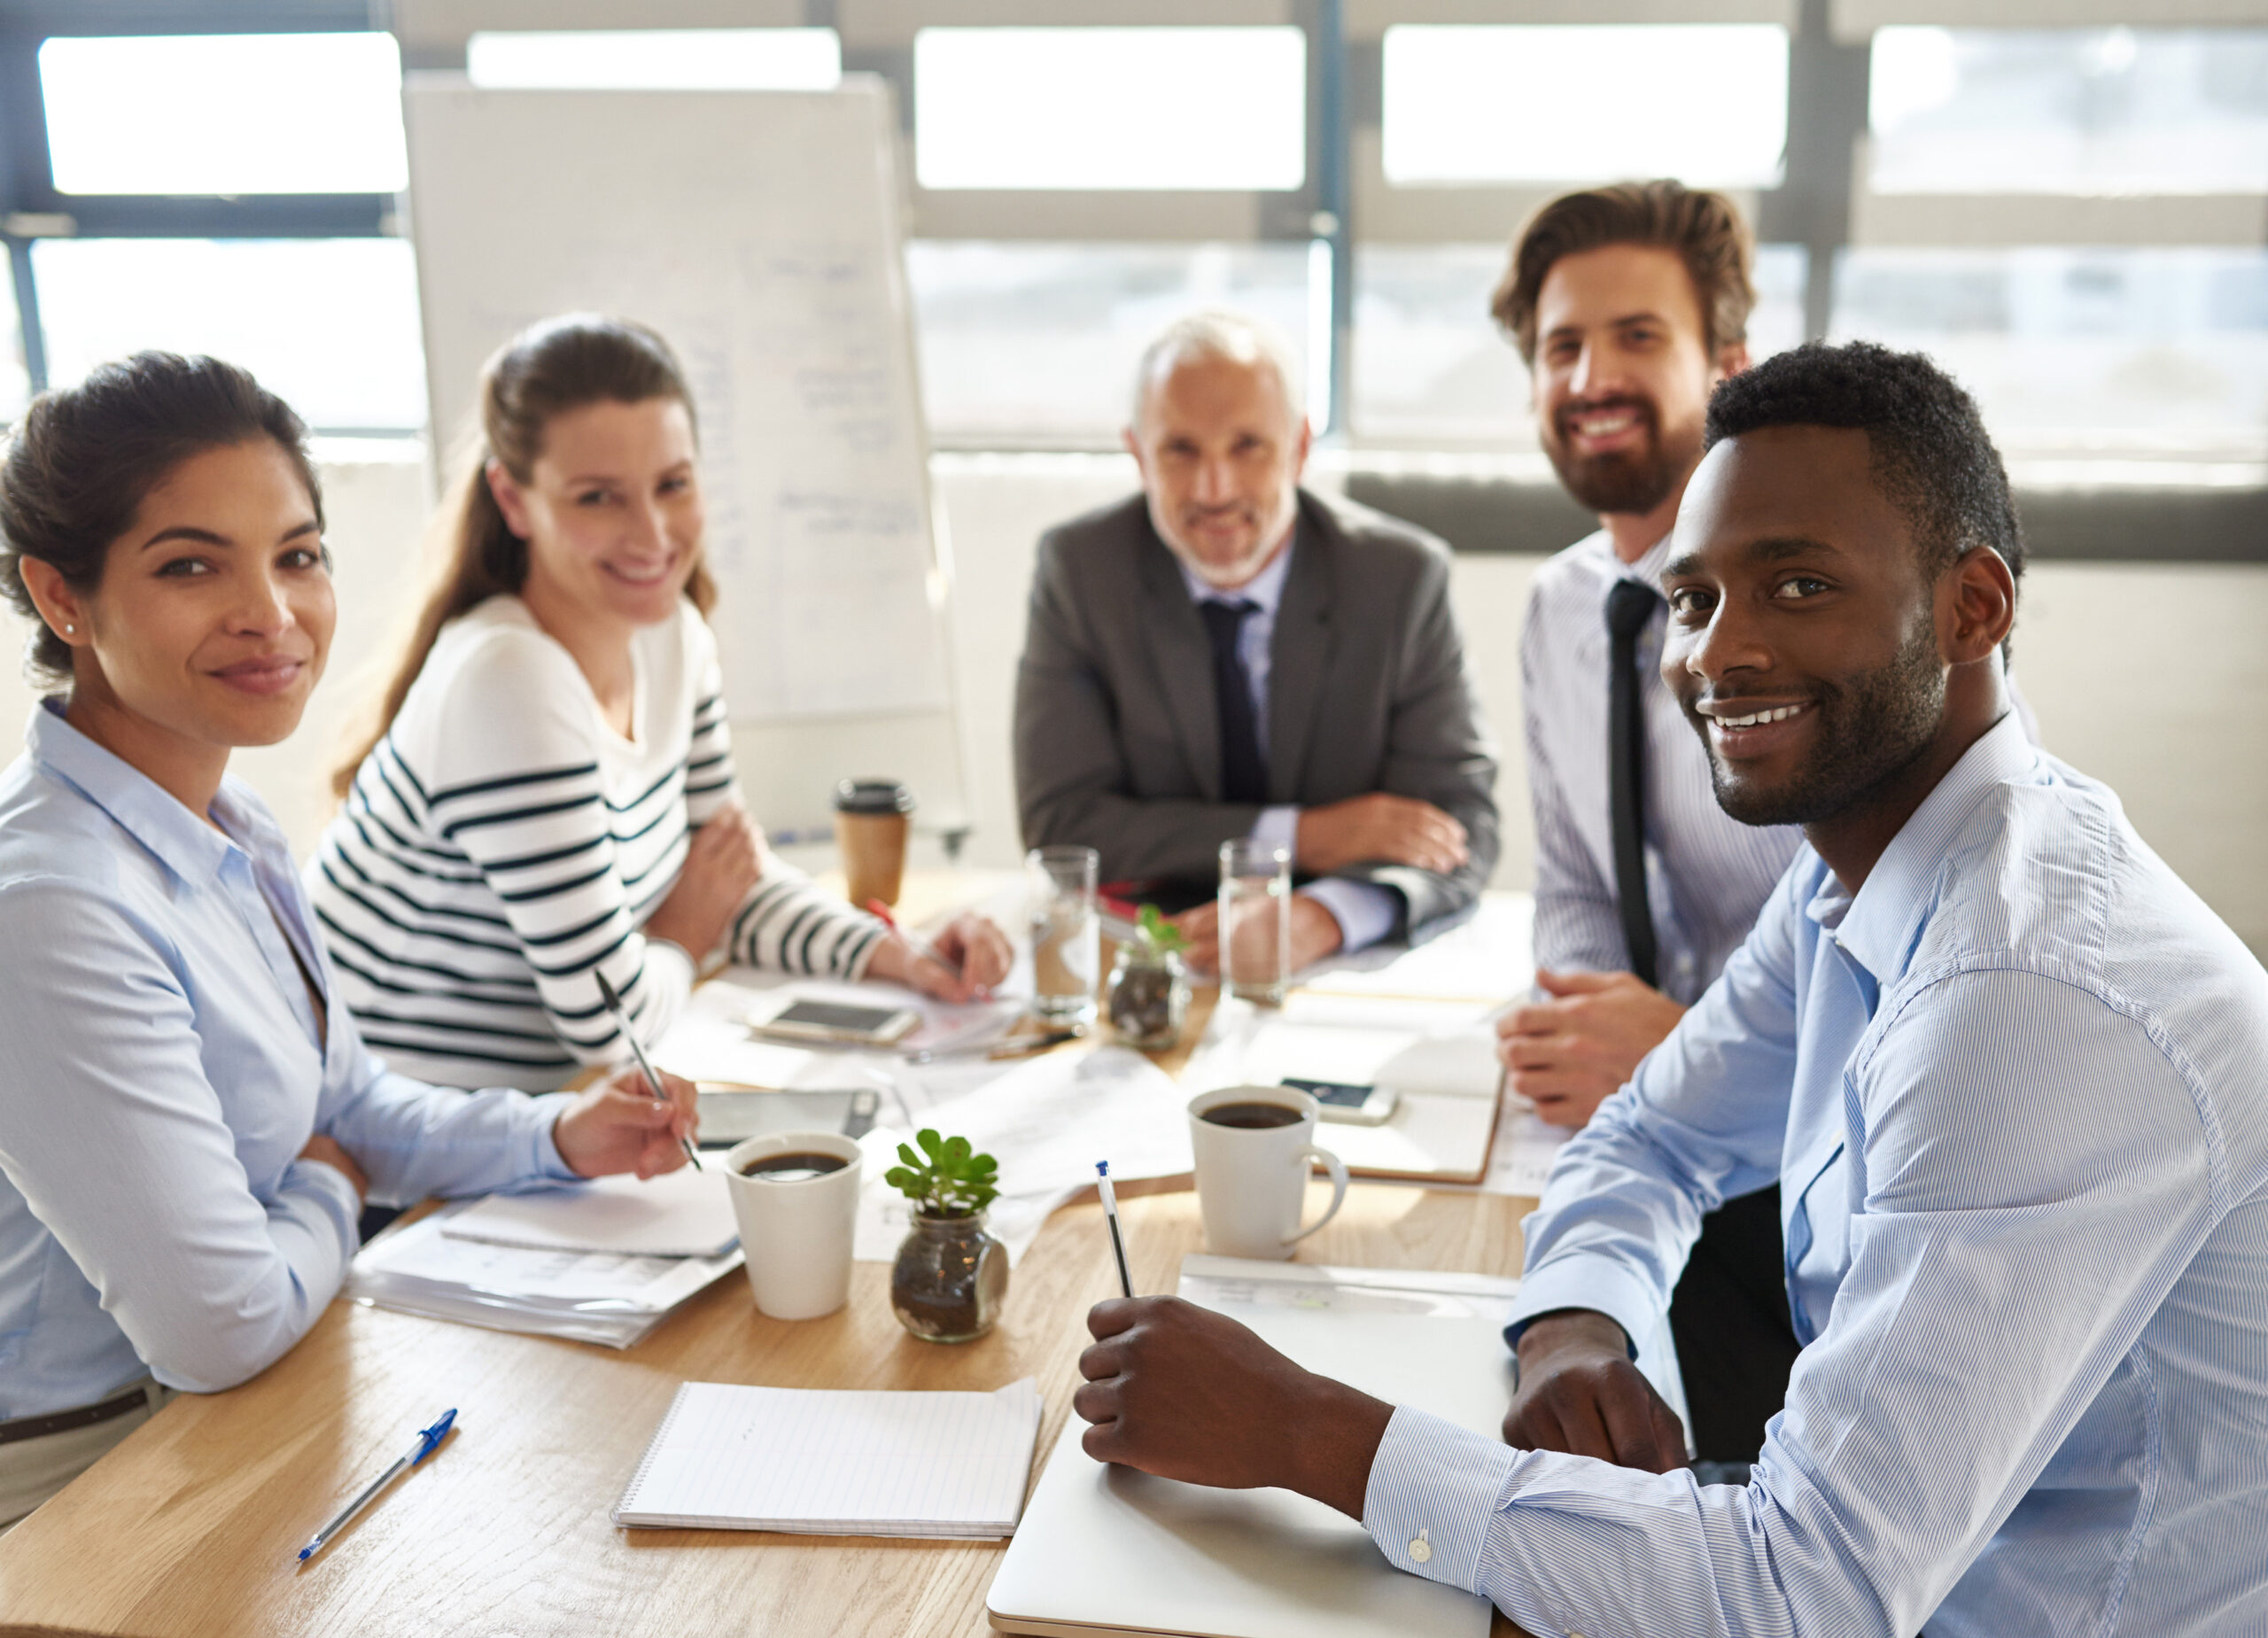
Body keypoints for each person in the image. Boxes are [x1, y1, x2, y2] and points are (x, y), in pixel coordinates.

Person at [1070, 343, 2268, 1635]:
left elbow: (1806, 1594)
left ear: (1974, 607)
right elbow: (1651, 1132)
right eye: (1693, 599)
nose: (1721, 652)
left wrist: (1305, 1431)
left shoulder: (2028, 992)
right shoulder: (1858, 880)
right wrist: (1576, 1327)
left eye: (1798, 585)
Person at [0, 353, 703, 1531]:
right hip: (86, 1479)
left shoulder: (234, 829)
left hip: (241, 1403)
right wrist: (333, 1182)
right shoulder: (51, 902)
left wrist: (561, 1134)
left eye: (298, 555)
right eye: (190, 565)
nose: (272, 614)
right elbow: (219, 1324)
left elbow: (355, 1101)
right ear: (65, 597)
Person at [313, 315, 1009, 1091]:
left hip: (539, 1121)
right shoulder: (509, 680)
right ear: (513, 499)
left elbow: (731, 886)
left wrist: (901, 954)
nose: (652, 534)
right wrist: (679, 931)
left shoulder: (672, 633)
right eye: (598, 497)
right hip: (399, 1158)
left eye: (673, 484)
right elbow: (610, 1021)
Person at [1487, 179, 1798, 1465]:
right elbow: (1567, 869)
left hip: (1806, 1184)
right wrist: (1577, 1016)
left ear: (1727, 366)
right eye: (1562, 347)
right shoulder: (1560, 608)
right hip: (1646, 1158)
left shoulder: (1800, 610)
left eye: (1636, 338)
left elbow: (1907, 971)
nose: (1590, 375)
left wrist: (1675, 1052)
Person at [1014, 311, 1498, 973]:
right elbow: (1061, 825)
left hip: (1337, 962)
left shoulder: (1400, 579)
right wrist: (1304, 835)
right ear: (1137, 454)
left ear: (1300, 448)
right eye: (1181, 450)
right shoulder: (1081, 569)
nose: (1216, 490)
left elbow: (1455, 824)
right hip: (1149, 955)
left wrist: (1321, 916)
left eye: (1248, 446)